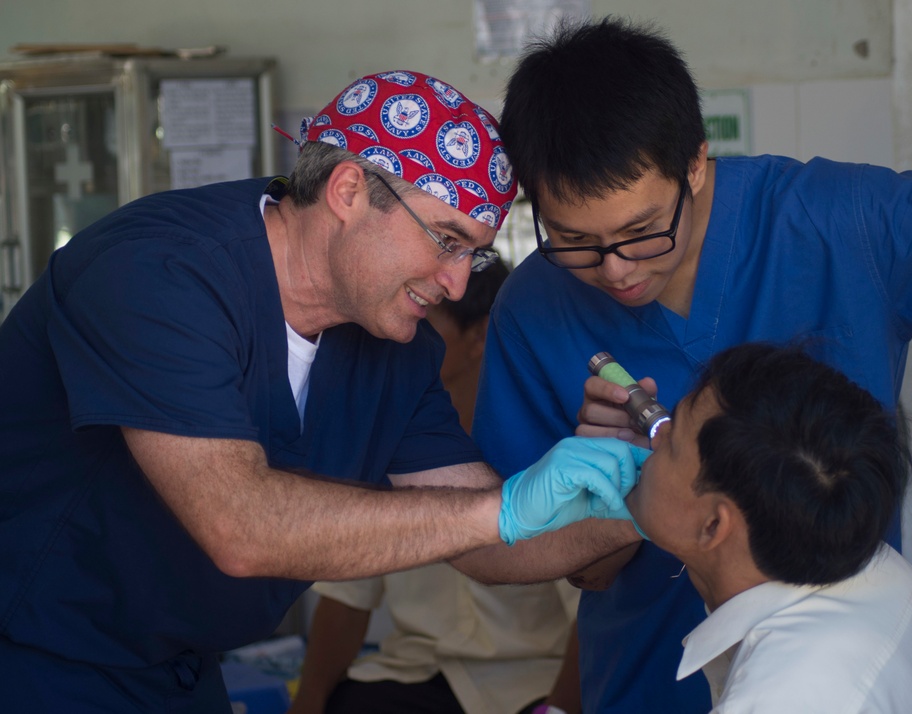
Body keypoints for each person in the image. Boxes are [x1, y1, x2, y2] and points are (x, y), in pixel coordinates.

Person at [0, 70, 645, 712]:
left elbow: (491, 541)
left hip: (174, 671)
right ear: (348, 191)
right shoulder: (162, 274)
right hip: (34, 654)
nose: (456, 285)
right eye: (447, 241)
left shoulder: (393, 349)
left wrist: (646, 495)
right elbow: (240, 525)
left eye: (471, 257)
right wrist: (499, 510)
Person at [471, 16, 912, 712]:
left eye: (640, 231)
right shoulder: (535, 305)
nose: (617, 270)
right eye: (573, 240)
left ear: (694, 161)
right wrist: (610, 493)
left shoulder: (832, 223)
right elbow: (582, 572)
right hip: (645, 681)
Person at [290, 261, 582, 714]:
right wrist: (308, 704)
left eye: (424, 315)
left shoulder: (547, 456)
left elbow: (590, 620)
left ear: (479, 336)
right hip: (410, 675)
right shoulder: (381, 441)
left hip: (527, 687)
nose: (399, 333)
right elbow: (346, 600)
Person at [627, 341, 912, 712]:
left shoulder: (779, 699)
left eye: (672, 437)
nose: (654, 435)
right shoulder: (876, 567)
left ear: (714, 525)